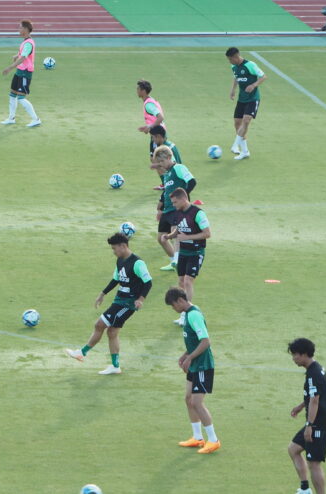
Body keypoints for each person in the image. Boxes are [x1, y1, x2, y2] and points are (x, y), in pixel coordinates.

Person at [65, 232, 152, 375]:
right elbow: (116, 279)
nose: (113, 252)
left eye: (114, 249)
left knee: (100, 324)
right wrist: (103, 293)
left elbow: (148, 282)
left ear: (123, 246)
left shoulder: (137, 263)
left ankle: (82, 352)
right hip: (119, 300)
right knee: (112, 332)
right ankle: (115, 366)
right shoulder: (120, 260)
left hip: (128, 304)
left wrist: (140, 300)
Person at [165, 287, 221, 454]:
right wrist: (185, 355)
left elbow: (205, 341)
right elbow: (195, 341)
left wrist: (189, 358)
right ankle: (197, 437)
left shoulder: (194, 315)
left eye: (173, 305)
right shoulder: (189, 314)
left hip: (203, 365)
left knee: (197, 402)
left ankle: (213, 440)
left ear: (180, 301)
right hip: (195, 364)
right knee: (188, 399)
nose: (173, 309)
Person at [288, 337, 326, 494]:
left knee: (314, 463)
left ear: (305, 354)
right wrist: (301, 406)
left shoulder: (314, 373)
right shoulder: (315, 369)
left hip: (318, 424)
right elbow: (314, 396)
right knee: (293, 449)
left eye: (295, 355)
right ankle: (305, 489)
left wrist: (309, 426)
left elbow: (315, 401)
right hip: (316, 422)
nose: (293, 358)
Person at [164, 189, 211, 309]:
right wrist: (169, 236)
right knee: (181, 281)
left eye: (175, 202)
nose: (173, 205)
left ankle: (188, 310)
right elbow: (179, 228)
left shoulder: (198, 213)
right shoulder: (178, 212)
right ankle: (182, 309)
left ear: (183, 199)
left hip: (196, 252)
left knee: (188, 281)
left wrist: (187, 237)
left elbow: (207, 233)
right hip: (183, 253)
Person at [152, 145, 196, 272]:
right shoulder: (167, 175)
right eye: (158, 162)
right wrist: (160, 205)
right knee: (161, 238)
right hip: (167, 210)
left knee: (174, 232)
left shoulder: (179, 168)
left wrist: (184, 198)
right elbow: (167, 191)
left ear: (170, 157)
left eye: (162, 161)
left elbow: (192, 182)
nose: (161, 164)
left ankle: (178, 260)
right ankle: (173, 262)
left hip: (177, 209)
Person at [225, 46, 266, 160]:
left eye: (230, 59)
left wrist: (253, 85)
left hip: (253, 99)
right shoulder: (234, 66)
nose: (229, 61)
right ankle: (245, 151)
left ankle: (235, 145)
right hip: (242, 98)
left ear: (236, 57)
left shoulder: (250, 65)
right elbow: (236, 78)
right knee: (237, 123)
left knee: (246, 120)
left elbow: (263, 76)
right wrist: (233, 90)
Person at [0, 19, 41, 126]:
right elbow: (21, 54)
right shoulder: (25, 41)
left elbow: (23, 58)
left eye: (20, 27)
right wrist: (16, 56)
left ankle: (36, 119)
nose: (19, 29)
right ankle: (11, 118)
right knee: (12, 95)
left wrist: (10, 68)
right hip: (19, 72)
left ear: (26, 29)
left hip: (25, 73)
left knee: (21, 98)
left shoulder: (28, 43)